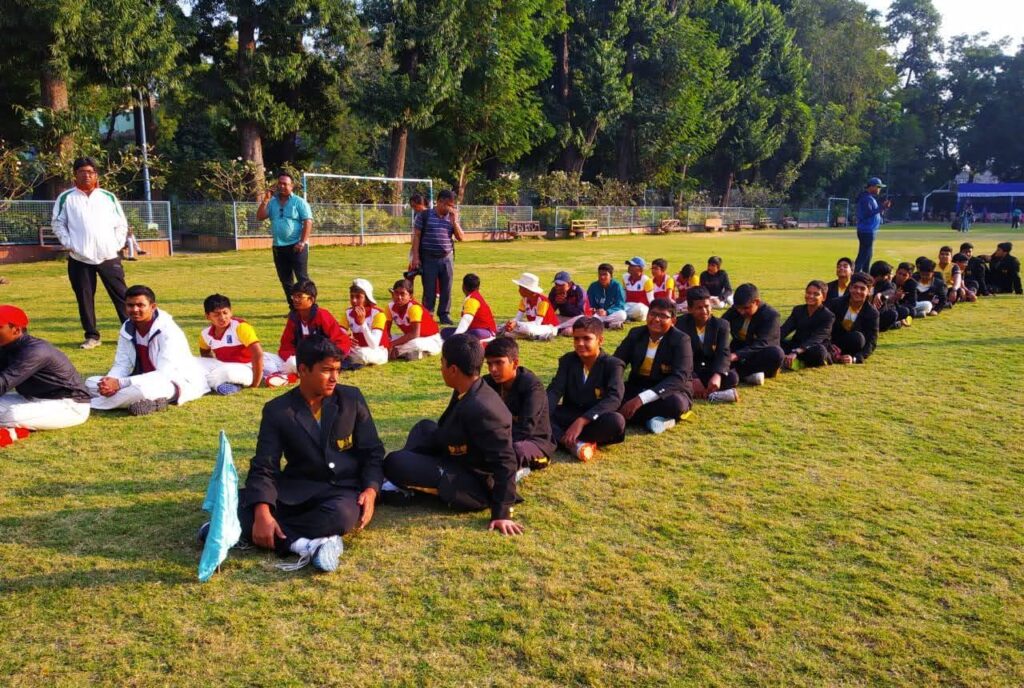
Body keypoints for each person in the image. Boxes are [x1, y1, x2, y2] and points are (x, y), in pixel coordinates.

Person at [231, 336, 384, 573]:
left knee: (341, 517)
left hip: (341, 492)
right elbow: (264, 465)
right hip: (297, 489)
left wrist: (371, 490)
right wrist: (262, 512)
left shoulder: (351, 399)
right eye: (326, 370)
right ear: (303, 370)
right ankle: (308, 544)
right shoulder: (278, 410)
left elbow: (372, 451)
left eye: (337, 370)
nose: (334, 378)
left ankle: (240, 530)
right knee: (236, 503)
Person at [383, 334, 525, 536]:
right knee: (424, 427)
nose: (440, 369)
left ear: (453, 370)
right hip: (456, 454)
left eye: (442, 363)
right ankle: (406, 478)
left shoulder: (483, 408)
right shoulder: (467, 388)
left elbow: (506, 461)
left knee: (394, 462)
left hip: (471, 481)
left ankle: (405, 484)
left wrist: (502, 512)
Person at [86, 285, 208, 415]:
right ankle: (150, 403)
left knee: (138, 392)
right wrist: (109, 382)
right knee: (90, 383)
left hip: (173, 382)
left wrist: (119, 384)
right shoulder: (127, 327)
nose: (135, 309)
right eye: (130, 305)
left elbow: (164, 373)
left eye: (140, 305)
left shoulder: (169, 331)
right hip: (138, 379)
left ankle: (85, 403)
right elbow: (122, 364)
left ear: (153, 306)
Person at [51, 156, 129, 350]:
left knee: (121, 295)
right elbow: (58, 223)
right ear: (75, 175)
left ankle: (131, 333)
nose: (86, 176)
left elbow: (121, 223)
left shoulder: (107, 197)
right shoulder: (66, 198)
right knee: (84, 298)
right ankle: (92, 336)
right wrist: (69, 243)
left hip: (108, 256)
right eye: (82, 172)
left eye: (90, 172)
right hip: (79, 258)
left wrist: (116, 244)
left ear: (96, 175)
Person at [0, 305, 91, 431]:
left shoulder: (34, 351)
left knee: (11, 415)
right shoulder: (6, 346)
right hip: (30, 399)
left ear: (16, 330)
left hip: (69, 405)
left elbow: (3, 383)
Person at [546, 317, 626, 461]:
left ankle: (559, 438)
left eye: (586, 339)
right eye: (576, 339)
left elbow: (614, 398)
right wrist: (542, 412)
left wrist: (583, 420)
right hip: (569, 416)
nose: (580, 343)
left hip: (595, 419)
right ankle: (574, 444)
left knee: (616, 421)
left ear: (600, 340)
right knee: (541, 414)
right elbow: (555, 390)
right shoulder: (567, 360)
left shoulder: (613, 365)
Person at [613, 298, 694, 433]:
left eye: (663, 316)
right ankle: (652, 420)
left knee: (676, 404)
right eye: (653, 314)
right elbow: (617, 362)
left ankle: (628, 416)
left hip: (669, 392)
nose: (656, 319)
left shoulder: (681, 340)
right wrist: (614, 384)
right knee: (608, 396)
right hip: (637, 386)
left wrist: (641, 399)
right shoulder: (636, 333)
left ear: (673, 321)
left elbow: (679, 378)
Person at [483, 337, 554, 471]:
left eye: (499, 363)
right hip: (500, 438)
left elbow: (526, 428)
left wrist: (494, 442)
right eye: (489, 364)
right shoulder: (487, 383)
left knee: (514, 450)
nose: (493, 369)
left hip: (533, 441)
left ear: (515, 363)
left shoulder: (533, 387)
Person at [197, 294, 277, 395]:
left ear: (231, 312)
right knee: (194, 362)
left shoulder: (240, 327)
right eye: (216, 315)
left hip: (247, 368)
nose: (222, 317)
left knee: (227, 373)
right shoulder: (205, 334)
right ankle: (223, 384)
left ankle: (218, 384)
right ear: (208, 316)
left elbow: (258, 354)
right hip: (223, 366)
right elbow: (205, 355)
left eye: (225, 313)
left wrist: (255, 384)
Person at [269, 280, 351, 377]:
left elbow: (340, 342)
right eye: (293, 296)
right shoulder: (294, 317)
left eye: (299, 296)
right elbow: (286, 345)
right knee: (264, 357)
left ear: (311, 299)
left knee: (293, 364)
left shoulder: (322, 315)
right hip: (298, 358)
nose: (295, 300)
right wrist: (295, 357)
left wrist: (327, 358)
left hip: (321, 359)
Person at [256, 173, 313, 308]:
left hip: (297, 246)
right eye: (279, 183)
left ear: (291, 186)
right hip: (279, 247)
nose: (281, 186)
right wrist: (265, 200)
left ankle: (310, 307)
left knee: (302, 279)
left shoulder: (299, 202)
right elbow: (260, 216)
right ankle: (294, 308)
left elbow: (308, 222)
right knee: (286, 280)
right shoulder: (272, 202)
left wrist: (302, 242)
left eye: (285, 184)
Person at [409, 189, 466, 325]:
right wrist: (415, 257)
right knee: (429, 288)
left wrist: (454, 222)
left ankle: (444, 314)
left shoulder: (451, 218)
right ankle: (428, 314)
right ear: (440, 202)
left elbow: (461, 237)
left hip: (447, 258)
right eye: (449, 205)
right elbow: (416, 237)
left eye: (452, 205)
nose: (451, 208)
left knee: (446, 288)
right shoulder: (424, 215)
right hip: (428, 258)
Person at [677, 287, 738, 403]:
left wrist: (717, 375)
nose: (704, 311)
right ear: (689, 309)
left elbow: (723, 352)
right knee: (675, 378)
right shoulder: (679, 325)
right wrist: (693, 378)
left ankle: (705, 392)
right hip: (688, 369)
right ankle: (713, 395)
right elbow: (679, 357)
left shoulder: (722, 325)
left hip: (710, 368)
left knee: (732, 377)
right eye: (699, 308)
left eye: (707, 306)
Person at [722, 283, 785, 386]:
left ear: (757, 302)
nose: (741, 312)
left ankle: (736, 373)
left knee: (777, 354)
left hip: (759, 353)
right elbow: (722, 324)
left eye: (745, 308)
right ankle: (747, 375)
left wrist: (737, 355)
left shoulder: (771, 316)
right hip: (739, 347)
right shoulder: (736, 309)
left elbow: (762, 343)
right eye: (738, 308)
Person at [780, 280, 835, 370]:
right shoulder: (798, 310)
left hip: (813, 347)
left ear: (824, 297)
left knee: (819, 352)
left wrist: (797, 352)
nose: (811, 296)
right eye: (808, 293)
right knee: (775, 343)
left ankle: (798, 362)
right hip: (796, 345)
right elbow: (785, 329)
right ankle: (789, 359)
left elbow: (817, 338)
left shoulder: (828, 316)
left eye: (816, 294)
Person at [826, 272, 879, 364]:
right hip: (830, 341)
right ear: (850, 288)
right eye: (855, 287)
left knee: (858, 338)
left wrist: (855, 358)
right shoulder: (835, 303)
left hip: (850, 345)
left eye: (862, 289)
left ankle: (841, 356)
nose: (858, 291)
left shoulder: (872, 313)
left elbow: (871, 341)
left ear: (869, 291)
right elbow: (824, 327)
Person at [386, 279, 442, 361]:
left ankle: (395, 352)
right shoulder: (389, 307)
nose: (399, 297)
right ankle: (413, 353)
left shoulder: (414, 308)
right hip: (410, 338)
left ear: (410, 296)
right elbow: (386, 331)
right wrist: (388, 341)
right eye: (396, 293)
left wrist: (391, 344)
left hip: (431, 339)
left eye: (402, 294)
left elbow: (415, 334)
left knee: (416, 343)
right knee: (390, 338)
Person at [339, 279, 390, 367]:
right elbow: (339, 333)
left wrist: (362, 323)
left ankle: (346, 359)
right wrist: (345, 338)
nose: (354, 300)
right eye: (352, 296)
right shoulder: (348, 313)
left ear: (367, 298)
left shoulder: (378, 314)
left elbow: (373, 344)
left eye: (358, 297)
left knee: (362, 354)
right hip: (357, 349)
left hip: (378, 351)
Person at [503, 273, 559, 341]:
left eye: (521, 288)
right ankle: (536, 336)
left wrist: (516, 324)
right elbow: (518, 317)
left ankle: (540, 335)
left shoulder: (542, 301)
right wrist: (511, 323)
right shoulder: (524, 299)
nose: (519, 290)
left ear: (528, 290)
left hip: (549, 327)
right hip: (533, 327)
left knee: (527, 329)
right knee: (507, 332)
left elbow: (537, 323)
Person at [441, 273, 497, 341]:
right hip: (483, 331)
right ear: (478, 287)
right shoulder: (476, 296)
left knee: (472, 333)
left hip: (484, 332)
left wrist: (456, 336)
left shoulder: (472, 300)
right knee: (445, 332)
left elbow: (466, 320)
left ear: (463, 287)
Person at [854, 177, 891, 273]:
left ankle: (866, 275)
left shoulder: (868, 198)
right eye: (878, 187)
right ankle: (855, 275)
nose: (879, 189)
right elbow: (867, 213)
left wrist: (882, 208)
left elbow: (872, 212)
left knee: (868, 255)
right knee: (863, 255)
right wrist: (882, 207)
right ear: (871, 187)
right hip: (866, 231)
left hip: (869, 230)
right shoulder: (866, 199)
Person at [869, 261, 912, 331]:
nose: (890, 276)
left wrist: (880, 294)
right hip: (868, 313)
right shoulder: (866, 282)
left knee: (902, 311)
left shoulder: (887, 283)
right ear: (880, 275)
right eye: (888, 274)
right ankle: (895, 324)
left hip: (882, 311)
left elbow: (890, 291)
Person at [548, 271, 592, 336]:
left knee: (568, 331)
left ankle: (558, 330)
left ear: (569, 284)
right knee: (547, 320)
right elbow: (549, 310)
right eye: (556, 284)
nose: (558, 287)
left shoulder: (578, 291)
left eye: (561, 285)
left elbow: (580, 313)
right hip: (564, 318)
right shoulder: (554, 290)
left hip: (581, 319)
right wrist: (556, 302)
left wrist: (565, 303)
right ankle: (558, 329)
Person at [587, 263, 627, 329]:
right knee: (587, 317)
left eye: (605, 274)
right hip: (598, 314)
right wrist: (595, 310)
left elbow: (620, 305)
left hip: (611, 314)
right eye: (600, 274)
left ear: (611, 276)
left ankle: (599, 323)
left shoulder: (617, 286)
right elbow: (589, 303)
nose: (602, 277)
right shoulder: (593, 286)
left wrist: (607, 312)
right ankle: (608, 325)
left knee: (622, 315)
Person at [404, 193, 430, 288]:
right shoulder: (418, 215)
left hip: (425, 250)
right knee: (411, 272)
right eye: (412, 206)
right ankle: (407, 290)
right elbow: (416, 235)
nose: (413, 208)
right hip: (417, 248)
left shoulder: (428, 215)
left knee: (426, 274)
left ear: (421, 203)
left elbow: (418, 235)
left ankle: (407, 289)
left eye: (415, 206)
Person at [622, 256, 655, 321]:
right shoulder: (625, 277)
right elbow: (624, 295)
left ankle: (625, 316)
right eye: (629, 265)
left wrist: (653, 312)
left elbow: (651, 299)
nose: (629, 267)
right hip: (628, 306)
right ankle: (627, 316)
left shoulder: (646, 280)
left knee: (641, 309)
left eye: (632, 266)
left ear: (640, 268)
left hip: (642, 307)